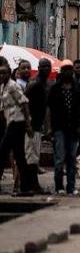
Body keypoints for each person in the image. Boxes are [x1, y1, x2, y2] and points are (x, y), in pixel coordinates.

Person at [47, 60, 80, 195]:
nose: (68, 72)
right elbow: (50, 109)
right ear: (61, 71)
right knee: (59, 159)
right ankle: (59, 186)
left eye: (70, 69)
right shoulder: (55, 89)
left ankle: (71, 187)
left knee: (71, 158)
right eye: (65, 69)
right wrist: (50, 127)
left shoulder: (79, 88)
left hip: (73, 128)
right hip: (59, 128)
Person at [0, 65, 33, 195]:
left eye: (4, 73)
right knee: (19, 156)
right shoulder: (3, 87)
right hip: (10, 122)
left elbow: (24, 103)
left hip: (18, 122)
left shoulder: (13, 86)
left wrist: (28, 125)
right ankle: (25, 187)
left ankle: (25, 187)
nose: (2, 75)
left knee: (3, 151)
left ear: (9, 73)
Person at [24, 58, 51, 193]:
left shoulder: (45, 84)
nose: (46, 70)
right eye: (44, 67)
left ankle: (32, 184)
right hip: (31, 126)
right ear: (39, 68)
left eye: (48, 67)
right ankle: (31, 185)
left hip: (37, 125)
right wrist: (28, 122)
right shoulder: (34, 84)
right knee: (31, 156)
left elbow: (46, 108)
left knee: (34, 156)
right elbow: (24, 103)